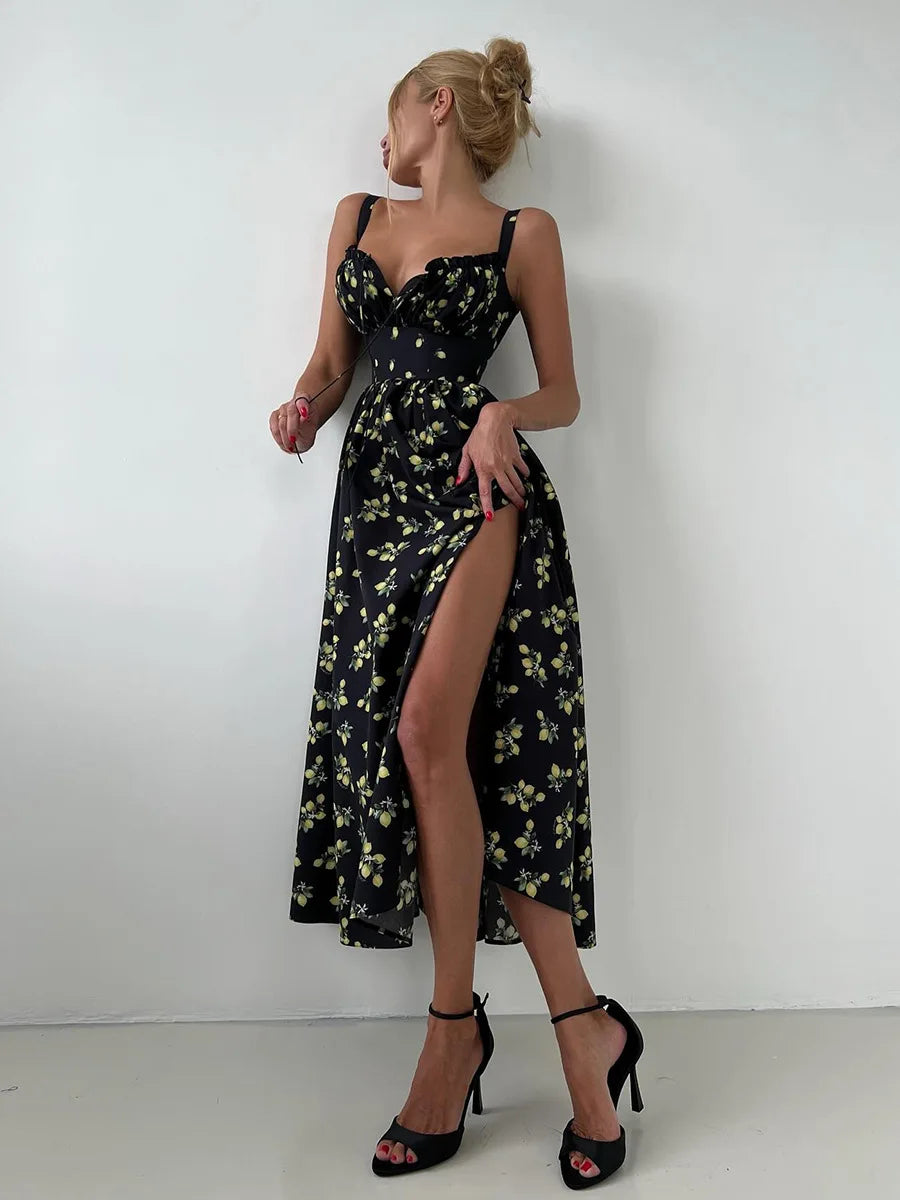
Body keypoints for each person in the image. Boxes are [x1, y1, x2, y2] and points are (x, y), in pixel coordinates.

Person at [270, 36, 645, 1190]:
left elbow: (564, 391)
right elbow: (331, 365)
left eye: (390, 117)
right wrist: (302, 405)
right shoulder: (355, 219)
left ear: (434, 106)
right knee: (451, 755)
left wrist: (502, 414)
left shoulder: (524, 234)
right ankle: (576, 1030)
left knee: (436, 730)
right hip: (377, 508)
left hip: (479, 489)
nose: (377, 143)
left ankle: (455, 1037)